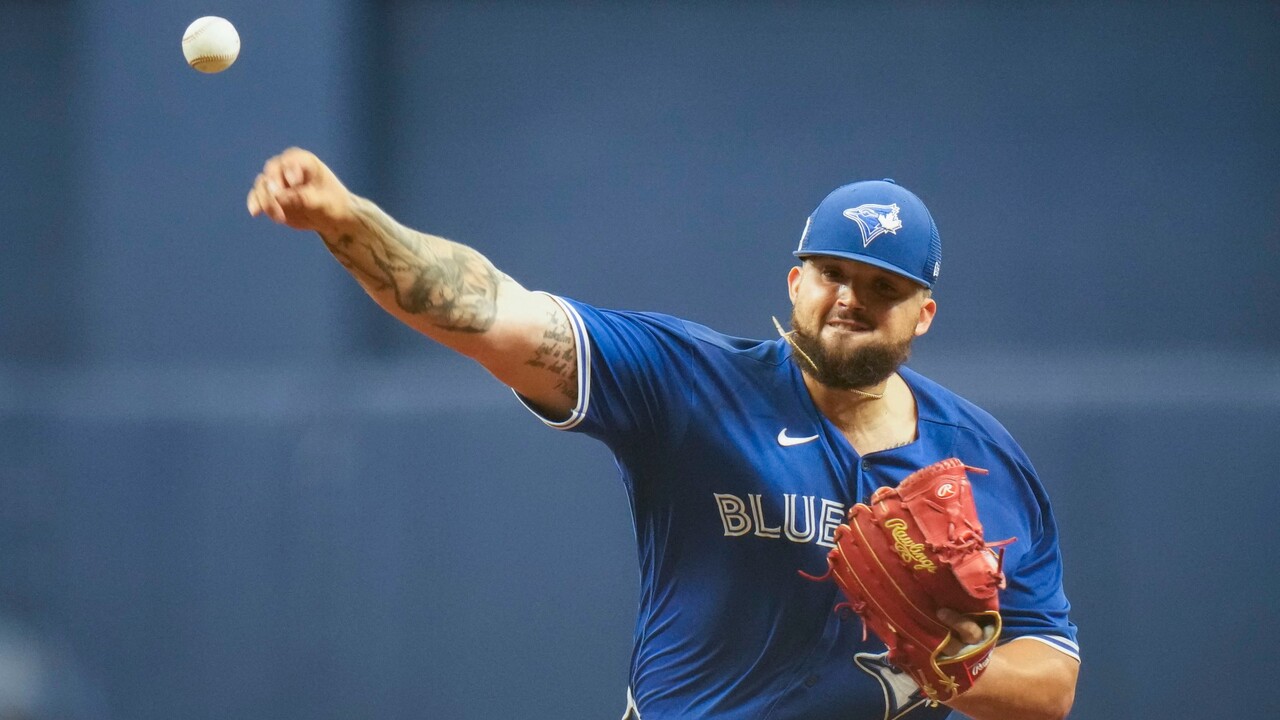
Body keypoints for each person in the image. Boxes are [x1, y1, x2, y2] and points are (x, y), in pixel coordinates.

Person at [247, 148, 1080, 720]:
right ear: (796, 281)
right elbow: (492, 312)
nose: (850, 299)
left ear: (923, 313)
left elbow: (1051, 684)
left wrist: (954, 665)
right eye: (832, 273)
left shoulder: (984, 461)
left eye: (883, 286)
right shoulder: (692, 384)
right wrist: (347, 219)